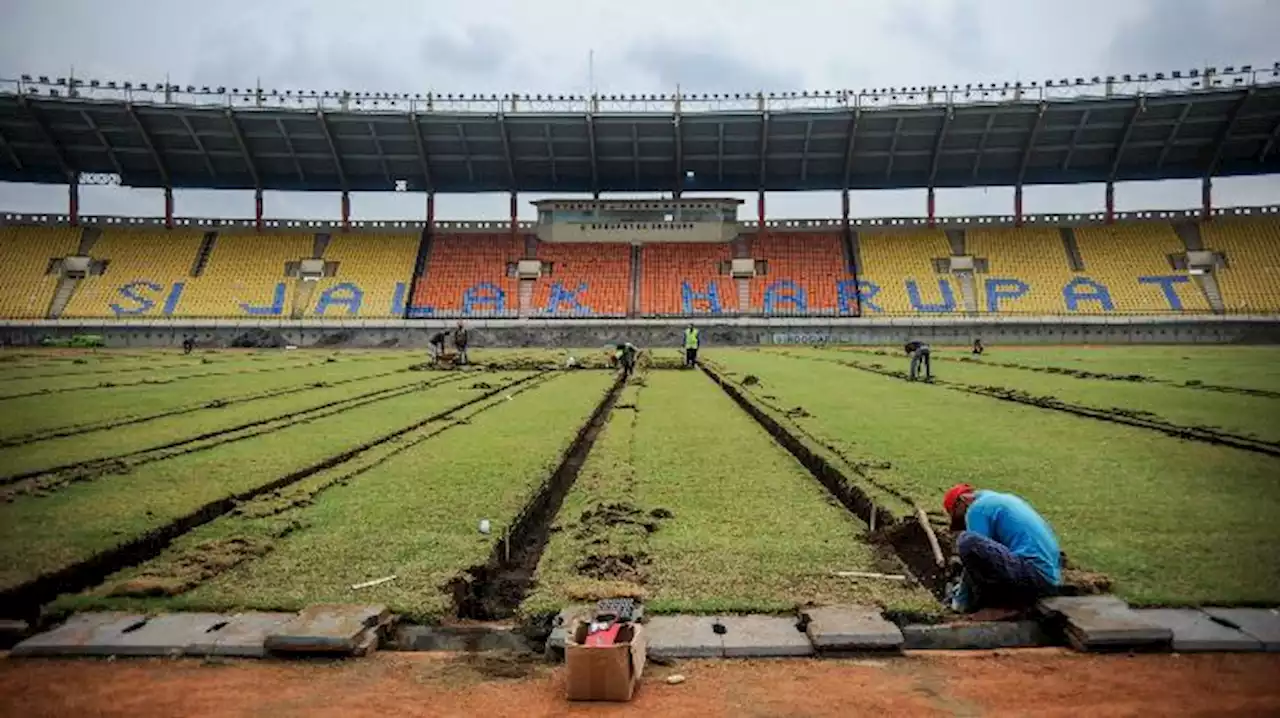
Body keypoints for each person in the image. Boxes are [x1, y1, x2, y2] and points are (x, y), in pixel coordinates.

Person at [942, 483, 1061, 615]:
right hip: (1048, 580)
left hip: (1033, 575)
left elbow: (975, 557)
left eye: (958, 516)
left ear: (962, 501)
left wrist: (960, 602)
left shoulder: (976, 509)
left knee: (967, 541)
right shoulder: (998, 500)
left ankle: (998, 605)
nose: (963, 522)